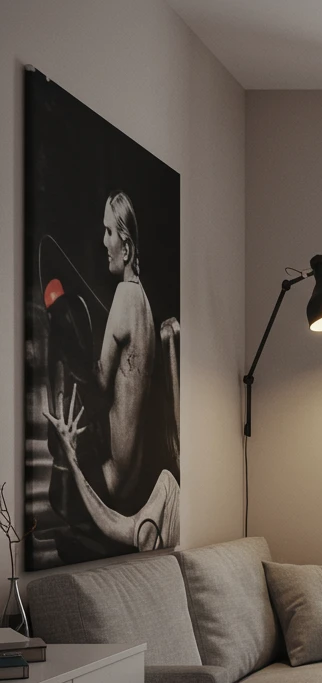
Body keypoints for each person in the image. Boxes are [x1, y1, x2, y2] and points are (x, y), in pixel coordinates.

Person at [44, 384, 179, 552]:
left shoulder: (167, 490)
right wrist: (70, 457)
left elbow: (111, 524)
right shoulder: (167, 489)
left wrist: (70, 457)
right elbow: (112, 524)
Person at [96, 190, 157, 509]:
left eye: (109, 232)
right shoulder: (145, 306)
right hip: (135, 479)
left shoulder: (123, 296)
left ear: (127, 247)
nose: (104, 241)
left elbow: (100, 381)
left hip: (112, 476)